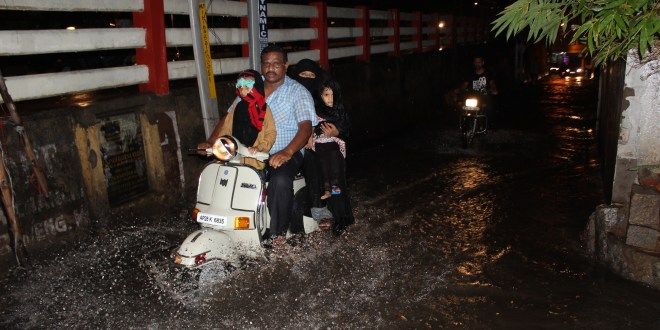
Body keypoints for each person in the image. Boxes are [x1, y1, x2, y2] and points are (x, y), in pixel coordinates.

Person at [260, 45, 317, 245]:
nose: (270, 68)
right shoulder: (252, 87)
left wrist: (287, 152)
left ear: (285, 65)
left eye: (276, 63)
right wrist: (212, 140)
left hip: (287, 151)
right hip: (254, 151)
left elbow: (305, 128)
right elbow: (229, 116)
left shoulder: (297, 92)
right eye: (266, 64)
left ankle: (278, 235)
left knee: (281, 179)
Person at [197, 69, 276, 170]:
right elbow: (226, 129)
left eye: (247, 85)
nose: (243, 89)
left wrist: (259, 147)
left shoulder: (263, 109)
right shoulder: (237, 107)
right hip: (232, 157)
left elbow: (271, 132)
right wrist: (217, 145)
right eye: (240, 86)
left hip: (254, 160)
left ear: (257, 86)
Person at [309, 78, 350, 200]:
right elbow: (311, 125)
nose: (330, 98)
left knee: (335, 162)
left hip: (333, 143)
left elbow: (345, 127)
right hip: (319, 143)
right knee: (323, 165)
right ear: (320, 95)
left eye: (333, 95)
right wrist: (310, 136)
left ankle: (336, 186)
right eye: (326, 95)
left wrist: (337, 131)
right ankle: (327, 189)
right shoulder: (316, 111)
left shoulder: (340, 110)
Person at [461, 56, 498, 125]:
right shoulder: (471, 74)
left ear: (482, 63)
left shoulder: (488, 73)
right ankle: (465, 123)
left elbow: (492, 83)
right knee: (463, 106)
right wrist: (461, 89)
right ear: (473, 63)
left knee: (489, 107)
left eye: (479, 62)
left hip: (484, 95)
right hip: (473, 96)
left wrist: (494, 89)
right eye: (476, 62)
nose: (477, 64)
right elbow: (465, 84)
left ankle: (488, 124)